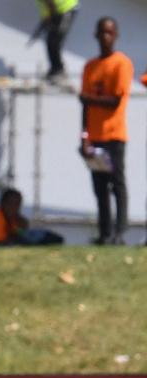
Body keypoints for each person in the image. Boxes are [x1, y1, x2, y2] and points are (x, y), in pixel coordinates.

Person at [79, 17, 133, 246]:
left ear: (116, 35)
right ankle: (105, 233)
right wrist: (84, 136)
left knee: (117, 184)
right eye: (102, 32)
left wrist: (89, 99)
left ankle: (120, 233)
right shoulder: (90, 66)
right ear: (96, 35)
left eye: (109, 32)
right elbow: (85, 107)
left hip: (114, 135)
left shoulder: (122, 63)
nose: (105, 37)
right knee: (99, 186)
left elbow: (115, 101)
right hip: (95, 136)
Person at [33, 0, 79, 85]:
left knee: (54, 40)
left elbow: (49, 2)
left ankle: (59, 70)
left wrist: (53, 16)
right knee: (51, 40)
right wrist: (46, 19)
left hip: (66, 9)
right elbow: (43, 5)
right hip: (58, 11)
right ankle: (55, 69)